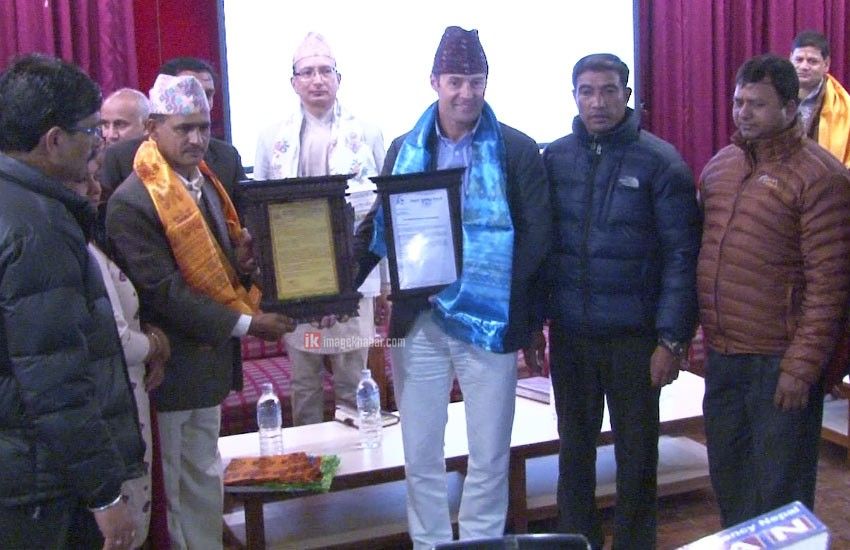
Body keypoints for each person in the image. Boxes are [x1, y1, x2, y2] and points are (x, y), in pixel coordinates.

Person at [354, 26, 551, 549]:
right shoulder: (404, 148)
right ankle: (431, 545)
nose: (466, 93)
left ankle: (482, 544)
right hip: (419, 321)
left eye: (476, 81)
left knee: (489, 452)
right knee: (421, 452)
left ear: (487, 82)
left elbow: (537, 239)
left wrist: (488, 289)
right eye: (456, 81)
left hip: (488, 320)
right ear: (435, 82)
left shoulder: (516, 149)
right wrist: (336, 289)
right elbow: (381, 227)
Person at [106, 74, 295, 549]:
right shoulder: (134, 199)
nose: (195, 139)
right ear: (153, 128)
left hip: (207, 367)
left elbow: (212, 268)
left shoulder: (204, 182)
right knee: (173, 490)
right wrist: (249, 324)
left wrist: (242, 264)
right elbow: (164, 292)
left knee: (203, 478)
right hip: (168, 372)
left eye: (203, 127)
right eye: (183, 128)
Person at [539, 53, 701, 549]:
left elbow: (682, 256)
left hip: (636, 340)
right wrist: (536, 322)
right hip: (572, 337)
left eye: (609, 90)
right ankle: (576, 542)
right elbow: (543, 248)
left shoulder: (661, 162)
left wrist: (671, 340)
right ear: (574, 97)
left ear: (627, 96)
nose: (597, 102)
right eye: (586, 91)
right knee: (574, 454)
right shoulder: (555, 159)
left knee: (637, 457)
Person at [698, 54, 850, 527]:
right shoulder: (720, 168)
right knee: (730, 479)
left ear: (789, 107)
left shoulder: (822, 177)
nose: (743, 113)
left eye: (757, 104)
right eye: (738, 102)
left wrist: (801, 369)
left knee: (780, 491)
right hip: (724, 356)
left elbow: (830, 287)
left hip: (779, 362)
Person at [0, 54, 144, 550]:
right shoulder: (37, 227)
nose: (99, 143)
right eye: (90, 131)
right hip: (41, 485)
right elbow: (55, 380)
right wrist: (104, 496)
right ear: (54, 140)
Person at [254, 32, 387, 425]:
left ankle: (359, 455)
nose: (317, 80)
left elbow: (383, 210)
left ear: (338, 79)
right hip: (297, 277)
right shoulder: (272, 137)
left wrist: (385, 282)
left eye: (325, 71)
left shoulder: (367, 133)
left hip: (353, 272)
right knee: (304, 382)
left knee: (353, 378)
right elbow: (259, 212)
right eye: (307, 72)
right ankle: (309, 459)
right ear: (293, 82)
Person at [67, 149, 171, 550]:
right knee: (122, 532)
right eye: (83, 180)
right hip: (110, 402)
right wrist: (157, 345)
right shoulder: (74, 249)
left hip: (122, 392)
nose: (96, 190)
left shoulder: (83, 238)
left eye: (96, 178)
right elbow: (117, 341)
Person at [100, 57, 246, 200]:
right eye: (188, 93)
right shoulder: (121, 159)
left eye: (206, 94)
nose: (198, 101)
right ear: (152, 128)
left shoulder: (227, 158)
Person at [789, 30, 850, 167]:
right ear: (790, 59)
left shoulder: (844, 108)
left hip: (827, 176)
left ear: (826, 64)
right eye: (799, 60)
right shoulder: (776, 96)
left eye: (812, 61)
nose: (804, 66)